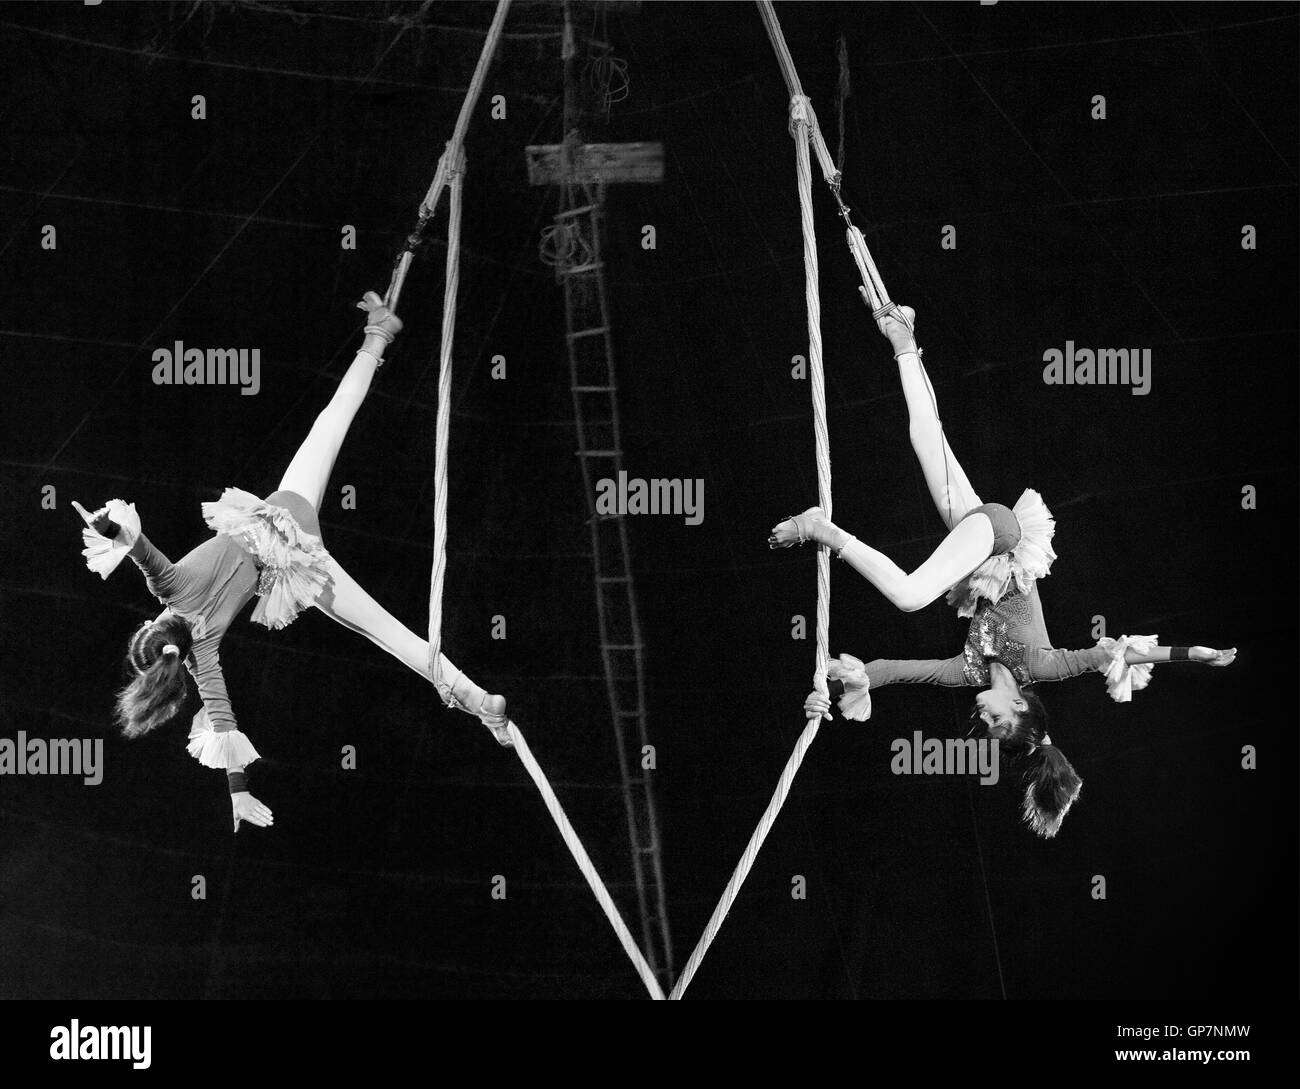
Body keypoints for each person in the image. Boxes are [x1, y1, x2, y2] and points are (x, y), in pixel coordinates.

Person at [776, 303, 1236, 837]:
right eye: (997, 719)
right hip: (1001, 535)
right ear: (1018, 702)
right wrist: (1192, 654)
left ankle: (903, 337)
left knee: (926, 440)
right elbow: (1115, 653)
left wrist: (832, 685)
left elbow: (893, 671)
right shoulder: (1041, 666)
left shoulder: (968, 673)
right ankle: (824, 530)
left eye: (987, 726)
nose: (983, 718)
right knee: (908, 596)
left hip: (973, 540)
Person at [75, 292, 507, 832]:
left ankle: (479, 701)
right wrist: (106, 526)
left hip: (301, 561)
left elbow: (225, 721)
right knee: (331, 422)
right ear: (149, 624)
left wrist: (237, 794)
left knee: (390, 636)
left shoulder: (201, 655)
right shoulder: (168, 587)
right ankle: (379, 335)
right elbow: (139, 549)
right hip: (282, 509)